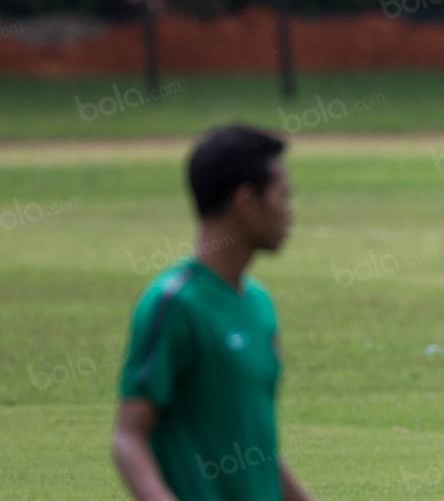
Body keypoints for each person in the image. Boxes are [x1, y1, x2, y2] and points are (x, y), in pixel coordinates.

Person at [111, 124, 314, 501]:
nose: (290, 212)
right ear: (246, 202)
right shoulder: (173, 304)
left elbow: (258, 449)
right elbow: (129, 437)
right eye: (283, 195)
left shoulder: (259, 306)